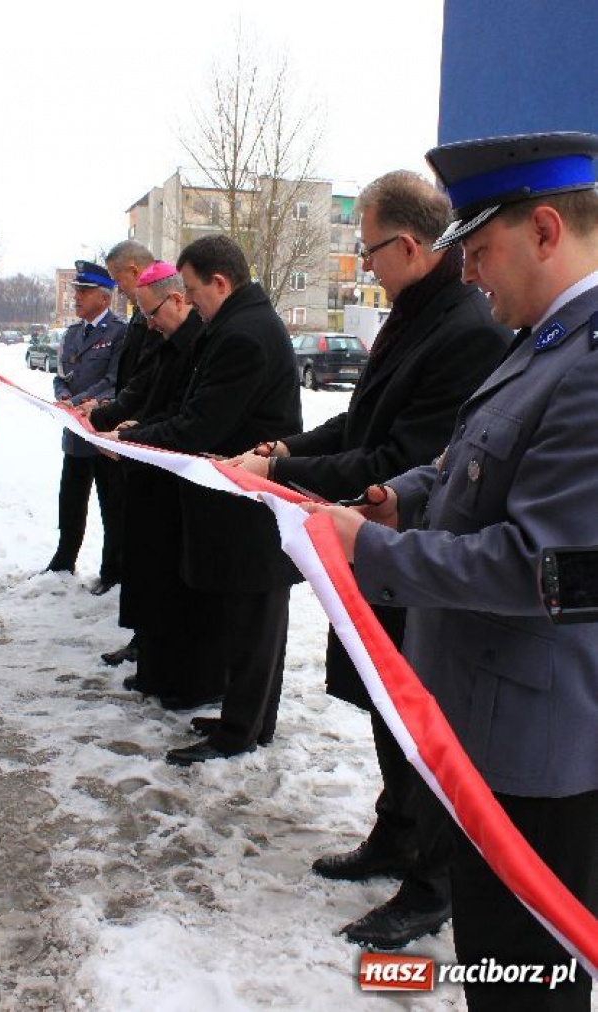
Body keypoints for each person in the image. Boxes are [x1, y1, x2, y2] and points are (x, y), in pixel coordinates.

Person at [304, 132, 598, 1011]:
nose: (468, 274)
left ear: (543, 230)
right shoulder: (541, 340)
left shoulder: (586, 365)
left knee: (525, 980)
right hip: (487, 720)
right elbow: (472, 460)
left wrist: (370, 552)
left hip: (538, 746)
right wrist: (399, 497)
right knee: (493, 963)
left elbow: (542, 571)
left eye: (478, 251)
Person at [227, 169, 512, 949]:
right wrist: (284, 448)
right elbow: (358, 423)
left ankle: (432, 884)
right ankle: (395, 837)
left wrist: (281, 472)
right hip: (379, 555)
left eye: (369, 251)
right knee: (387, 719)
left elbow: (395, 458)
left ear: (411, 246)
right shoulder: (418, 314)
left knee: (421, 726)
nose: (364, 266)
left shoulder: (463, 330)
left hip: (417, 564)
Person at [105, 234, 303, 762]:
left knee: (253, 621)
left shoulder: (244, 334)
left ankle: (240, 730)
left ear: (221, 282)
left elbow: (201, 423)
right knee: (246, 619)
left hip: (248, 503)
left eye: (192, 291)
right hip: (240, 499)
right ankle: (247, 720)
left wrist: (135, 440)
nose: (188, 302)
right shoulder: (240, 324)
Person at [97, 261, 226, 707]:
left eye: (153, 313)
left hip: (173, 475)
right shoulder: (167, 338)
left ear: (177, 299)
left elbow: (186, 412)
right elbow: (145, 389)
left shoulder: (199, 342)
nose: (150, 325)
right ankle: (152, 666)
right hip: (149, 465)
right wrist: (113, 418)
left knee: (169, 585)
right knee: (148, 575)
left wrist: (137, 429)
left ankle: (171, 675)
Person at [78, 240, 160, 665]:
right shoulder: (142, 318)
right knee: (130, 534)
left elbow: (150, 385)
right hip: (128, 437)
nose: (118, 289)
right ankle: (140, 637)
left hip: (146, 443)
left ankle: (148, 640)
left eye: (118, 279)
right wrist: (106, 414)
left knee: (143, 545)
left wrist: (122, 420)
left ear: (133, 270)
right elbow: (134, 383)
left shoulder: (158, 317)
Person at [45, 261, 126, 594]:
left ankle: (112, 572)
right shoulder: (74, 332)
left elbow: (115, 381)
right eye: (76, 290)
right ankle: (64, 562)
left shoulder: (119, 333)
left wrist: (79, 401)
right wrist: (64, 395)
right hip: (75, 433)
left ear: (103, 298)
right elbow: (61, 374)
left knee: (112, 505)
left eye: (84, 291)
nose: (76, 296)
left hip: (104, 433)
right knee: (71, 500)